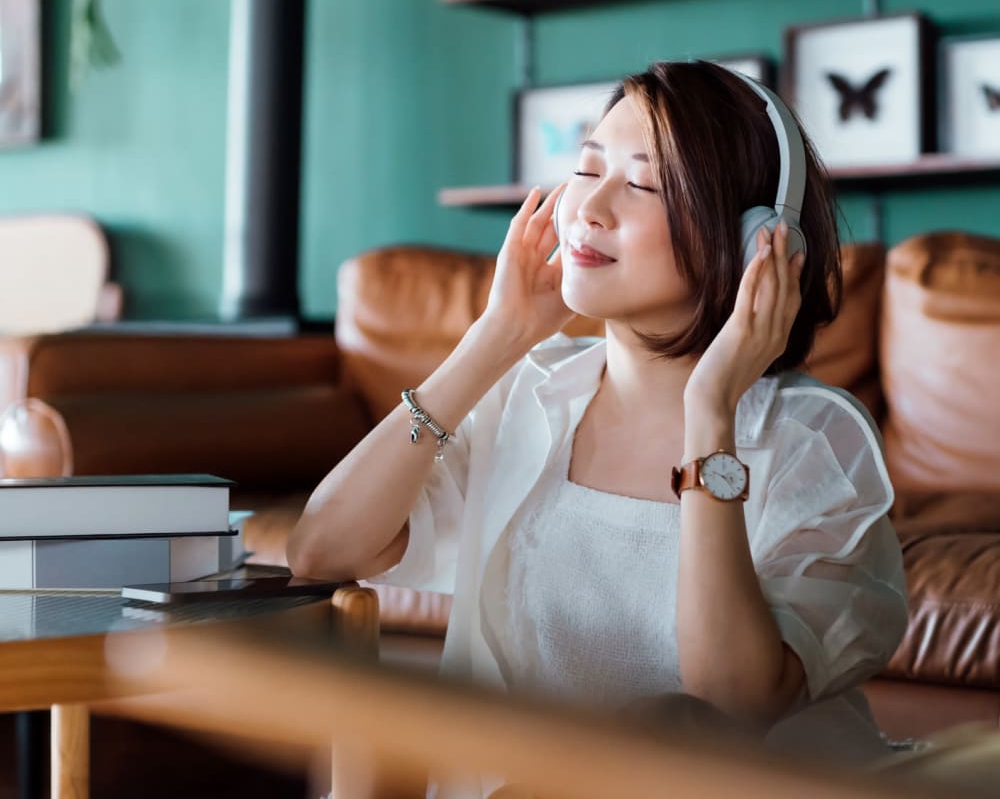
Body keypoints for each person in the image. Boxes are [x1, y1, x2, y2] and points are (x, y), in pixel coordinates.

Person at [288, 60, 909, 796]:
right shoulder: (533, 392)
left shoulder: (810, 442)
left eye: (643, 184)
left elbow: (730, 698)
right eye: (588, 169)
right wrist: (495, 338)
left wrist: (710, 412)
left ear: (751, 244)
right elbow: (320, 551)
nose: (590, 208)